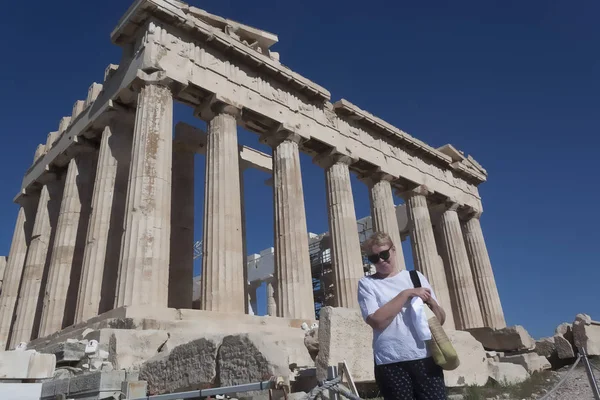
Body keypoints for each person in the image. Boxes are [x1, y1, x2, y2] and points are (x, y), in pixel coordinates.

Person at [357, 231, 448, 400]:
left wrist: (433, 304)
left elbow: (439, 319)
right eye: (374, 258)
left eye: (384, 254)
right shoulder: (367, 284)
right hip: (390, 360)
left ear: (394, 250)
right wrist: (406, 294)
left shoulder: (415, 277)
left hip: (425, 357)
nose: (381, 260)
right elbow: (377, 321)